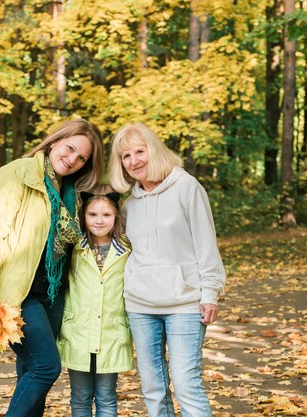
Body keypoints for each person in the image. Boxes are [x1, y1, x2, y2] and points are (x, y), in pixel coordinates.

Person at [0, 119, 104, 417]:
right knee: (45, 367)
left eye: (82, 157)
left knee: (29, 371)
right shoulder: (17, 173)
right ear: (54, 143)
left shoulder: (72, 192)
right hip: (16, 291)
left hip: (53, 291)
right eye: (69, 148)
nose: (72, 159)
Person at [108, 123, 226, 417]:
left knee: (187, 384)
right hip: (140, 305)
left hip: (184, 303)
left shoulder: (187, 187)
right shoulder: (127, 204)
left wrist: (210, 293)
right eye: (126, 156)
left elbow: (205, 245)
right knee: (153, 389)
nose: (134, 161)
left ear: (154, 150)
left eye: (139, 151)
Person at [57, 185, 133, 417]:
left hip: (111, 333)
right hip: (78, 331)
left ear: (116, 216)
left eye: (106, 215)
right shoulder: (73, 249)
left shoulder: (127, 249)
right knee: (79, 398)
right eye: (92, 214)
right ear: (84, 216)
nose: (99, 220)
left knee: (107, 397)